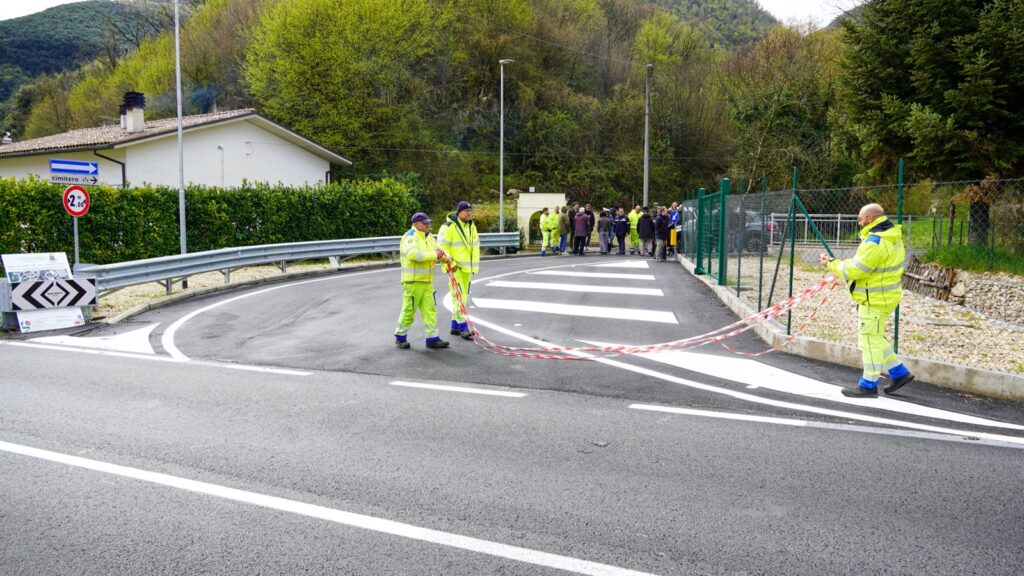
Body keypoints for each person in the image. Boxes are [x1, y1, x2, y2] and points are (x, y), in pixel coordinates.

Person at [819, 203, 915, 398]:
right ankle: (899, 373)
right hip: (887, 296)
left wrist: (831, 263)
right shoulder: (892, 236)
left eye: (860, 219)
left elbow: (856, 270)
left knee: (869, 341)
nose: (859, 222)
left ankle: (869, 385)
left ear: (870, 219)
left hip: (874, 299)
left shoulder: (874, 242)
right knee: (875, 336)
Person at [395, 212, 451, 350]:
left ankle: (432, 339)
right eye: (424, 223)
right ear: (416, 224)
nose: (427, 225)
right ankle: (400, 336)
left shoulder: (429, 237)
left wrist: (447, 258)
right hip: (413, 282)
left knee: (430, 310)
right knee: (409, 310)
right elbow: (414, 255)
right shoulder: (410, 237)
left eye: (428, 222)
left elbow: (439, 250)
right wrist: (435, 255)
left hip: (427, 281)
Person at [438, 200, 480, 340]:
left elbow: (474, 246)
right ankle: (462, 326)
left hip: (467, 268)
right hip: (455, 267)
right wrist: (451, 264)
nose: (469, 213)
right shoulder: (448, 227)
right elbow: (442, 248)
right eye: (467, 211)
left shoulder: (470, 225)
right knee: (460, 297)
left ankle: (454, 325)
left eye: (470, 211)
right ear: (459, 211)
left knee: (462, 296)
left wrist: (474, 265)